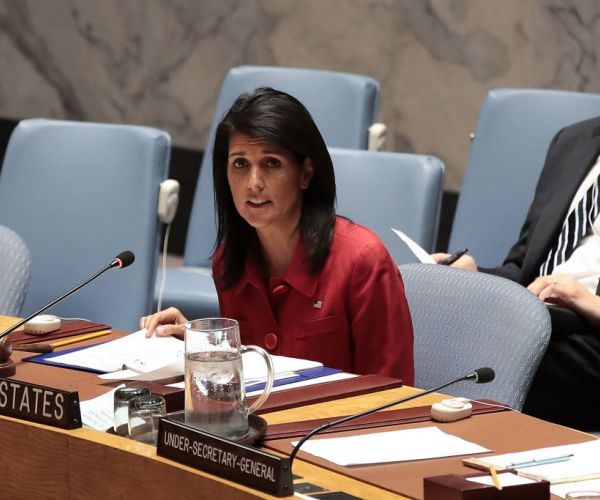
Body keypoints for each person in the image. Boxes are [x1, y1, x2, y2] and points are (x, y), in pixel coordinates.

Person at [141, 87, 414, 383]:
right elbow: (250, 372)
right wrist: (202, 344)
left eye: (272, 163)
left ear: (305, 173)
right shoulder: (230, 260)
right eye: (240, 164)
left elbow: (393, 392)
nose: (253, 183)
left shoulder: (363, 261)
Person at [434, 116, 600, 430]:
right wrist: (474, 275)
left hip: (588, 338)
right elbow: (523, 269)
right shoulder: (572, 140)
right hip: (539, 317)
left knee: (502, 350)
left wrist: (586, 301)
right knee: (424, 314)